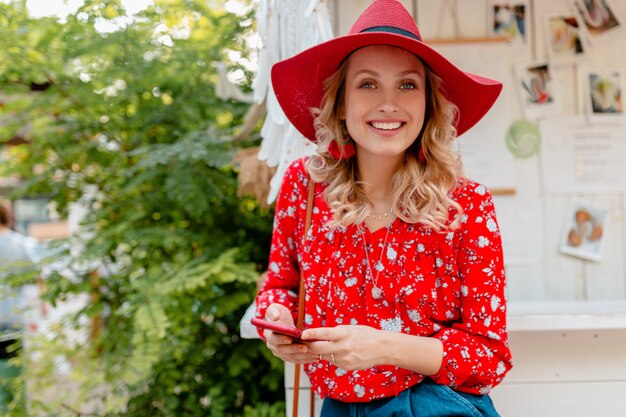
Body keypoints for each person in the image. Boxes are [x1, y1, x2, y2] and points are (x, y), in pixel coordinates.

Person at [255, 1, 513, 415]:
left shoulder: (466, 204)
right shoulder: (304, 188)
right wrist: (277, 320)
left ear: (430, 102)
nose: (389, 103)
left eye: (408, 85)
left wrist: (384, 348)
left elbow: (489, 358)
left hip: (432, 405)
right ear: (340, 102)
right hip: (335, 405)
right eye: (368, 84)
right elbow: (279, 285)